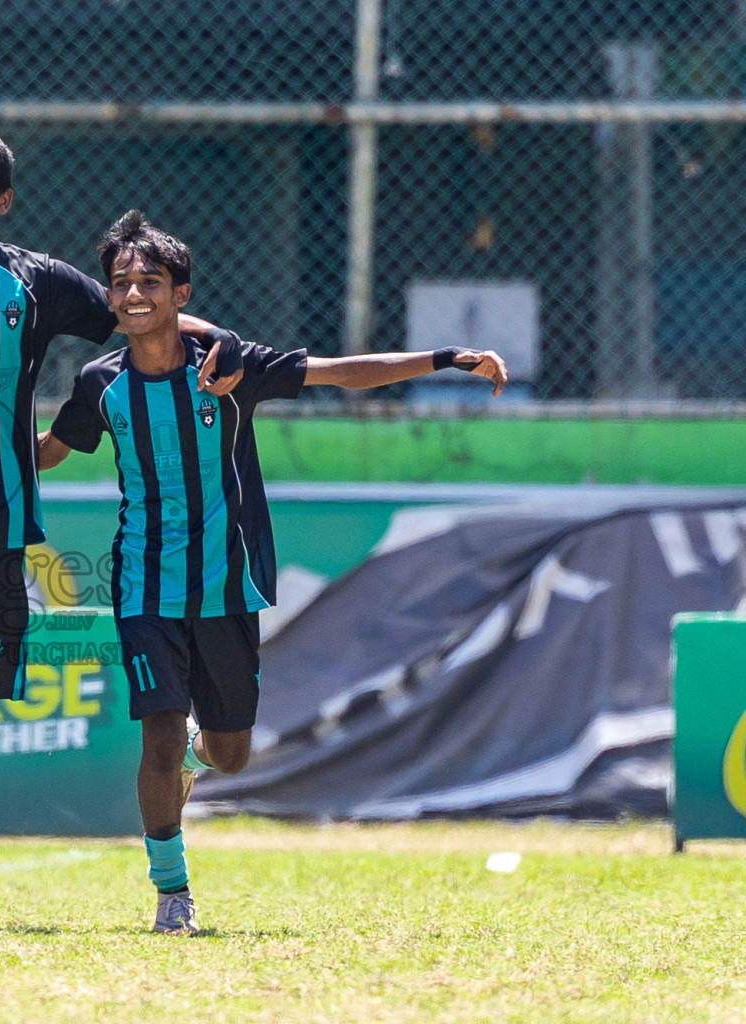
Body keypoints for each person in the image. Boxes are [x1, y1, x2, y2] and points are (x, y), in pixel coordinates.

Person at [37, 210, 508, 934]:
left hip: (225, 584)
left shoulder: (228, 368)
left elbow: (341, 374)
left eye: (150, 282)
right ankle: (172, 894)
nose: (134, 293)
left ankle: (201, 752)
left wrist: (443, 358)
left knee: (229, 753)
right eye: (122, 282)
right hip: (141, 583)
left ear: (180, 292)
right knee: (156, 734)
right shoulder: (100, 383)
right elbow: (48, 451)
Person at [0, 131, 243, 923]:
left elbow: (140, 312)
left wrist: (222, 340)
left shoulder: (34, 282)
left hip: (3, 527)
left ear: (4, 200)